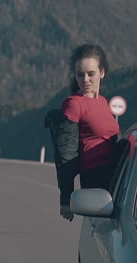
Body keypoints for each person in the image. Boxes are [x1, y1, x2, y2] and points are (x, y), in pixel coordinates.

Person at [55, 44, 120, 221]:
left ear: (102, 72)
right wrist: (66, 199)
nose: (85, 80)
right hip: (95, 182)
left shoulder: (103, 102)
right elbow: (65, 153)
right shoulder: (74, 104)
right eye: (80, 74)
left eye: (91, 74)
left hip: (115, 178)